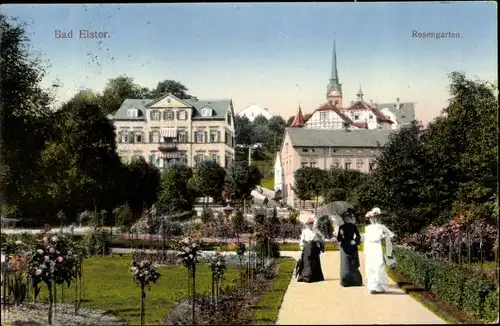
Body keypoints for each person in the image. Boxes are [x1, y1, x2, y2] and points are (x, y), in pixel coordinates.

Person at [363, 207, 395, 294]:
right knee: (371, 266)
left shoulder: (381, 226)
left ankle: (379, 286)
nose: (372, 219)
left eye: (374, 217)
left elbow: (391, 234)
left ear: (377, 218)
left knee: (378, 265)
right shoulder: (368, 228)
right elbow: (366, 240)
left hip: (377, 247)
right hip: (370, 248)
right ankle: (372, 287)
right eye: (371, 218)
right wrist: (365, 251)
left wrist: (383, 237)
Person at [337, 209, 363, 287]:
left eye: (348, 217)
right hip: (344, 247)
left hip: (352, 246)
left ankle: (355, 281)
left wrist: (355, 241)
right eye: (345, 217)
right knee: (345, 263)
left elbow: (358, 236)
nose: (346, 218)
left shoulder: (353, 226)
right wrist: (340, 236)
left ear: (349, 217)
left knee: (353, 263)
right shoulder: (341, 227)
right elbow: (339, 238)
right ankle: (345, 281)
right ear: (343, 219)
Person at [296, 217, 325, 283]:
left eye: (311, 223)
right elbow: (301, 241)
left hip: (314, 249)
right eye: (309, 223)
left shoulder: (316, 230)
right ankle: (305, 276)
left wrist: (319, 240)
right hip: (307, 249)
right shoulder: (304, 231)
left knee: (315, 262)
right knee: (307, 263)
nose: (310, 225)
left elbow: (322, 237)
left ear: (313, 224)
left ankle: (316, 277)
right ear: (307, 224)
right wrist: (302, 249)